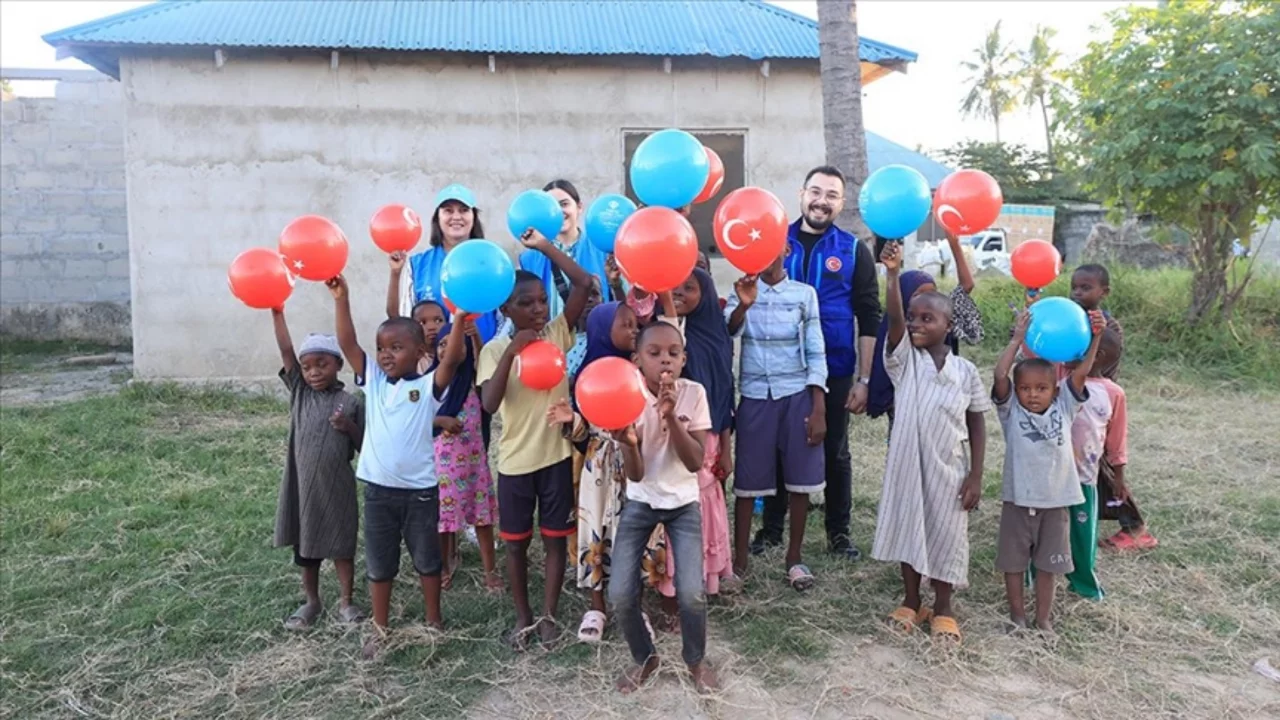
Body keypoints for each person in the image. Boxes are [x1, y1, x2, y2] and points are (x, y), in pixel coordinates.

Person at [327, 274, 468, 659]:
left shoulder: (428, 387)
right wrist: (343, 298)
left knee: (427, 560)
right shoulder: (372, 379)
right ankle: (379, 627)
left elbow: (452, 357)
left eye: (396, 346)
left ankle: (434, 619)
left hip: (420, 492)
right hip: (378, 491)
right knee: (380, 563)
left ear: (421, 349)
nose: (385, 354)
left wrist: (458, 317)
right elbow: (347, 344)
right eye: (381, 347)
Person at [755, 165, 882, 561]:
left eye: (831, 195)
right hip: (782, 367)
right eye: (816, 191)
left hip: (837, 366)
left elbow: (868, 315)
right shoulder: (775, 241)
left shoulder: (852, 249)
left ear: (841, 204)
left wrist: (864, 378)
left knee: (835, 450)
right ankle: (771, 530)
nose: (821, 201)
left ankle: (838, 532)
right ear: (801, 193)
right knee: (780, 447)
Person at [870, 242, 989, 642]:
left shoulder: (965, 371)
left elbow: (977, 423)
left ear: (948, 326)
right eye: (913, 317)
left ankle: (943, 606)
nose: (917, 324)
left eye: (928, 318)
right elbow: (895, 322)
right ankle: (911, 598)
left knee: (947, 534)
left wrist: (975, 475)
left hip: (949, 470)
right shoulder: (905, 363)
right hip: (906, 466)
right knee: (909, 529)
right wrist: (891, 273)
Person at [478, 233, 592, 648]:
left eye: (541, 300)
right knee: (515, 545)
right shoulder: (493, 350)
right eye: (525, 304)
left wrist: (545, 248)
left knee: (555, 540)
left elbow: (583, 284)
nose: (537, 309)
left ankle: (548, 615)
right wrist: (513, 352)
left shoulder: (558, 333)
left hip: (556, 457)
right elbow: (489, 404)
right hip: (514, 465)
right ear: (505, 308)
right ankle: (523, 615)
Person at [608, 321, 718, 694]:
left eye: (673, 353)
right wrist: (627, 443)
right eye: (654, 354)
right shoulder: (628, 395)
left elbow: (694, 462)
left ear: (684, 359)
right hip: (641, 501)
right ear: (637, 360)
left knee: (691, 592)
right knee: (621, 593)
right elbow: (636, 475)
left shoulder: (694, 393)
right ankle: (645, 658)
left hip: (683, 503)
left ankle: (695, 660)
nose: (664, 361)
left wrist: (671, 415)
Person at [993, 306, 1105, 633]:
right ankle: (1017, 616)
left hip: (1056, 504)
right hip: (1018, 501)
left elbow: (1082, 372)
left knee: (1048, 566)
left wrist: (1095, 336)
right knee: (1013, 565)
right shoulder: (1011, 410)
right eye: (1025, 388)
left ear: (1054, 390)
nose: (1032, 394)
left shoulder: (1066, 406)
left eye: (1041, 388)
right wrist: (1016, 339)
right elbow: (1001, 376)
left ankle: (1043, 619)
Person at [727, 247, 828, 590]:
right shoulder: (740, 290)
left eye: (771, 247)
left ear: (784, 249)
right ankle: (739, 561)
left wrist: (818, 407)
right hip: (755, 395)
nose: (763, 256)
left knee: (799, 479)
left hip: (796, 393)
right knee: (747, 479)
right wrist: (744, 304)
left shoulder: (804, 294)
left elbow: (815, 349)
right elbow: (729, 331)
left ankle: (794, 558)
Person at [546, 301, 639, 642]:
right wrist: (573, 422)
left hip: (634, 463)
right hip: (597, 470)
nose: (634, 331)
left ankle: (635, 604)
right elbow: (584, 436)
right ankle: (596, 606)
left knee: (634, 531)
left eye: (635, 325)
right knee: (595, 530)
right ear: (602, 331)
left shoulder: (639, 371)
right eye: (626, 325)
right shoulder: (588, 373)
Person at [269, 310, 365, 630]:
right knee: (306, 548)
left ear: (339, 364)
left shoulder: (351, 402)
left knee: (342, 545)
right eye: (307, 366)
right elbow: (285, 350)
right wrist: (278, 312)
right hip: (302, 487)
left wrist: (348, 426)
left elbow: (365, 446)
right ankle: (311, 600)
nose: (313, 372)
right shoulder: (300, 393)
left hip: (337, 486)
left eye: (321, 364)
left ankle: (346, 602)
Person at [868, 231, 985, 431]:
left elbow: (966, 285)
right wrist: (892, 273)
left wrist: (954, 243)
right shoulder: (900, 330)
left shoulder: (940, 317)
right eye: (918, 295)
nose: (925, 302)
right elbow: (896, 314)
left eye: (931, 293)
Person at [431, 318, 502, 595]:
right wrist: (442, 421)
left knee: (482, 518)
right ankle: (444, 567)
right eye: (441, 344)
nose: (446, 350)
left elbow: (484, 367)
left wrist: (475, 340)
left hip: (474, 463)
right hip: (443, 464)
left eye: (454, 343)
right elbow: (419, 418)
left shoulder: (472, 381)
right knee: (444, 520)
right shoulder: (434, 384)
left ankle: (490, 572)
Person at [391, 184, 504, 343]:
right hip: (435, 364)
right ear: (437, 218)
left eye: (464, 210)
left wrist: (491, 355)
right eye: (448, 210)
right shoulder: (417, 265)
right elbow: (405, 319)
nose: (456, 217)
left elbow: (505, 319)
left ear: (474, 217)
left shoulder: (493, 262)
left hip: (484, 360)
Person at [1064, 329, 1126, 601]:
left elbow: (1117, 440)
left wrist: (1119, 477)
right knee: (1041, 530)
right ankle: (1033, 574)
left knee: (1082, 532)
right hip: (1051, 476)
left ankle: (1084, 583)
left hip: (1084, 479)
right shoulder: (1060, 379)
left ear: (1096, 355)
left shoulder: (1113, 393)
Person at [519, 179, 615, 319]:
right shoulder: (529, 259)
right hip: (550, 338)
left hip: (595, 337)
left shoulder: (601, 249)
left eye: (564, 204)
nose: (559, 212)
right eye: (551, 207)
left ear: (579, 207)